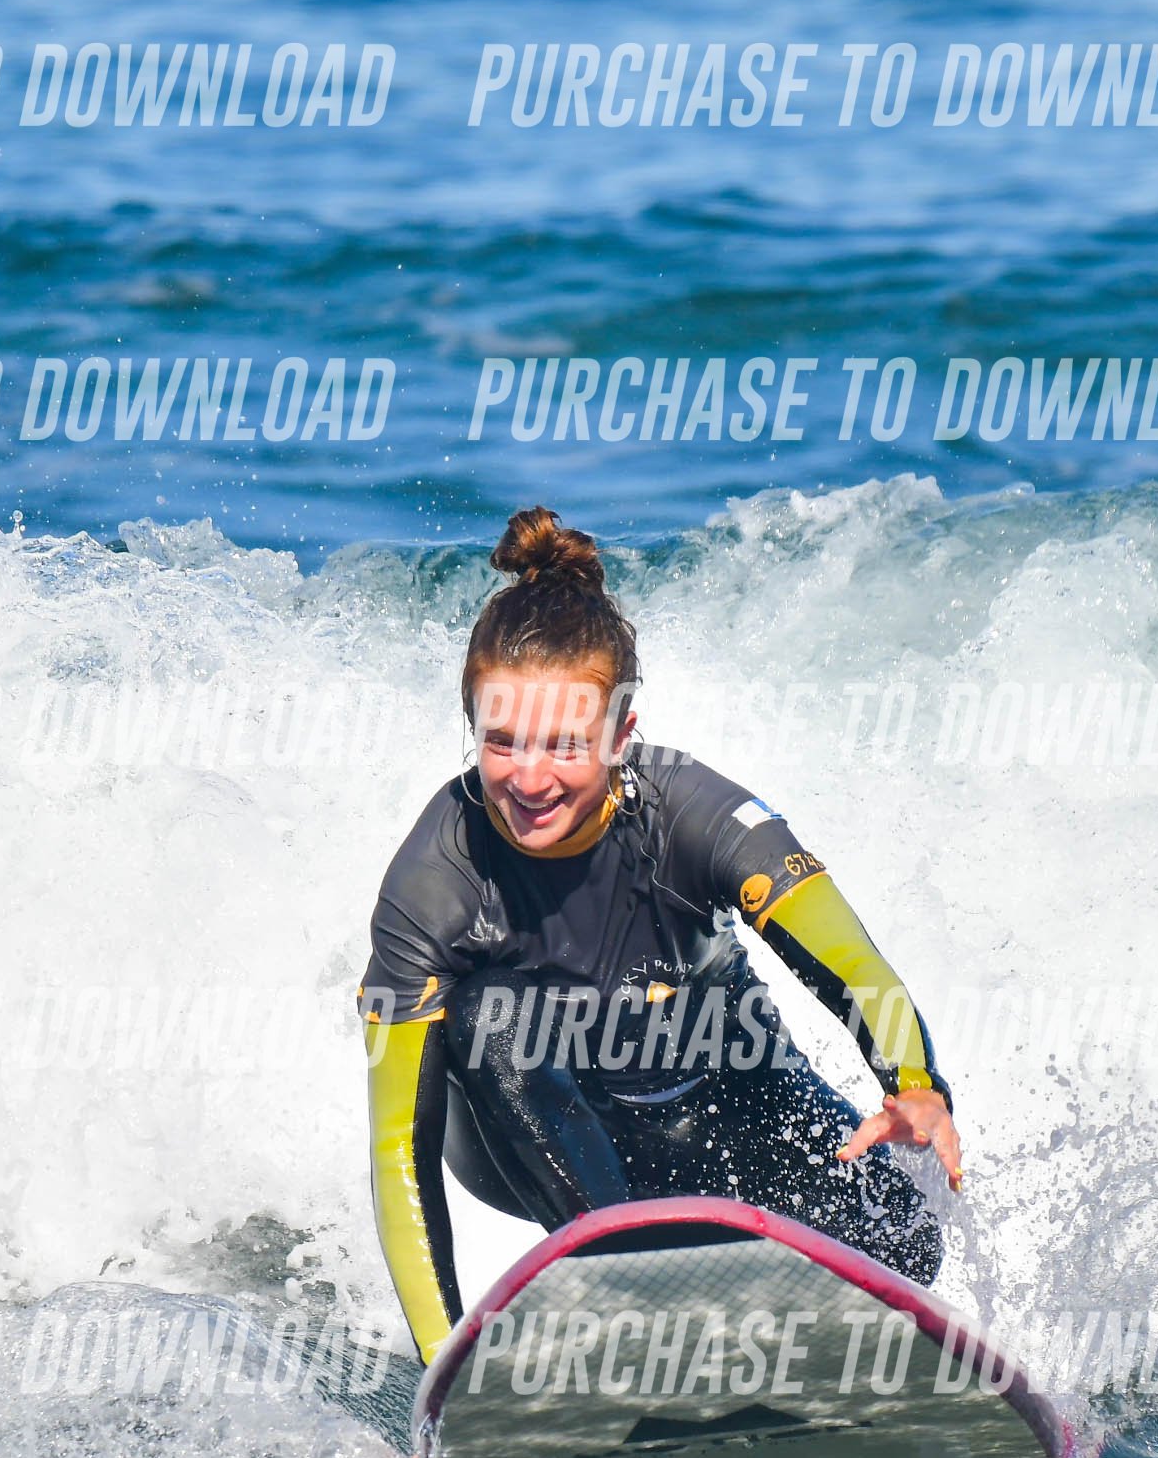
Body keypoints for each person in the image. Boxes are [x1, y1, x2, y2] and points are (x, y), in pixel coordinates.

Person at [360, 506, 963, 1360]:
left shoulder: (692, 813)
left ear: (620, 734)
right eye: (501, 742)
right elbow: (400, 1154)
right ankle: (630, 1299)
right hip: (533, 1141)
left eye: (563, 745)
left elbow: (851, 963)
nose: (528, 778)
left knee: (905, 1241)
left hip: (725, 1111)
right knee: (489, 1013)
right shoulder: (433, 881)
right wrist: (442, 1368)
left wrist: (915, 1083)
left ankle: (737, 1307)